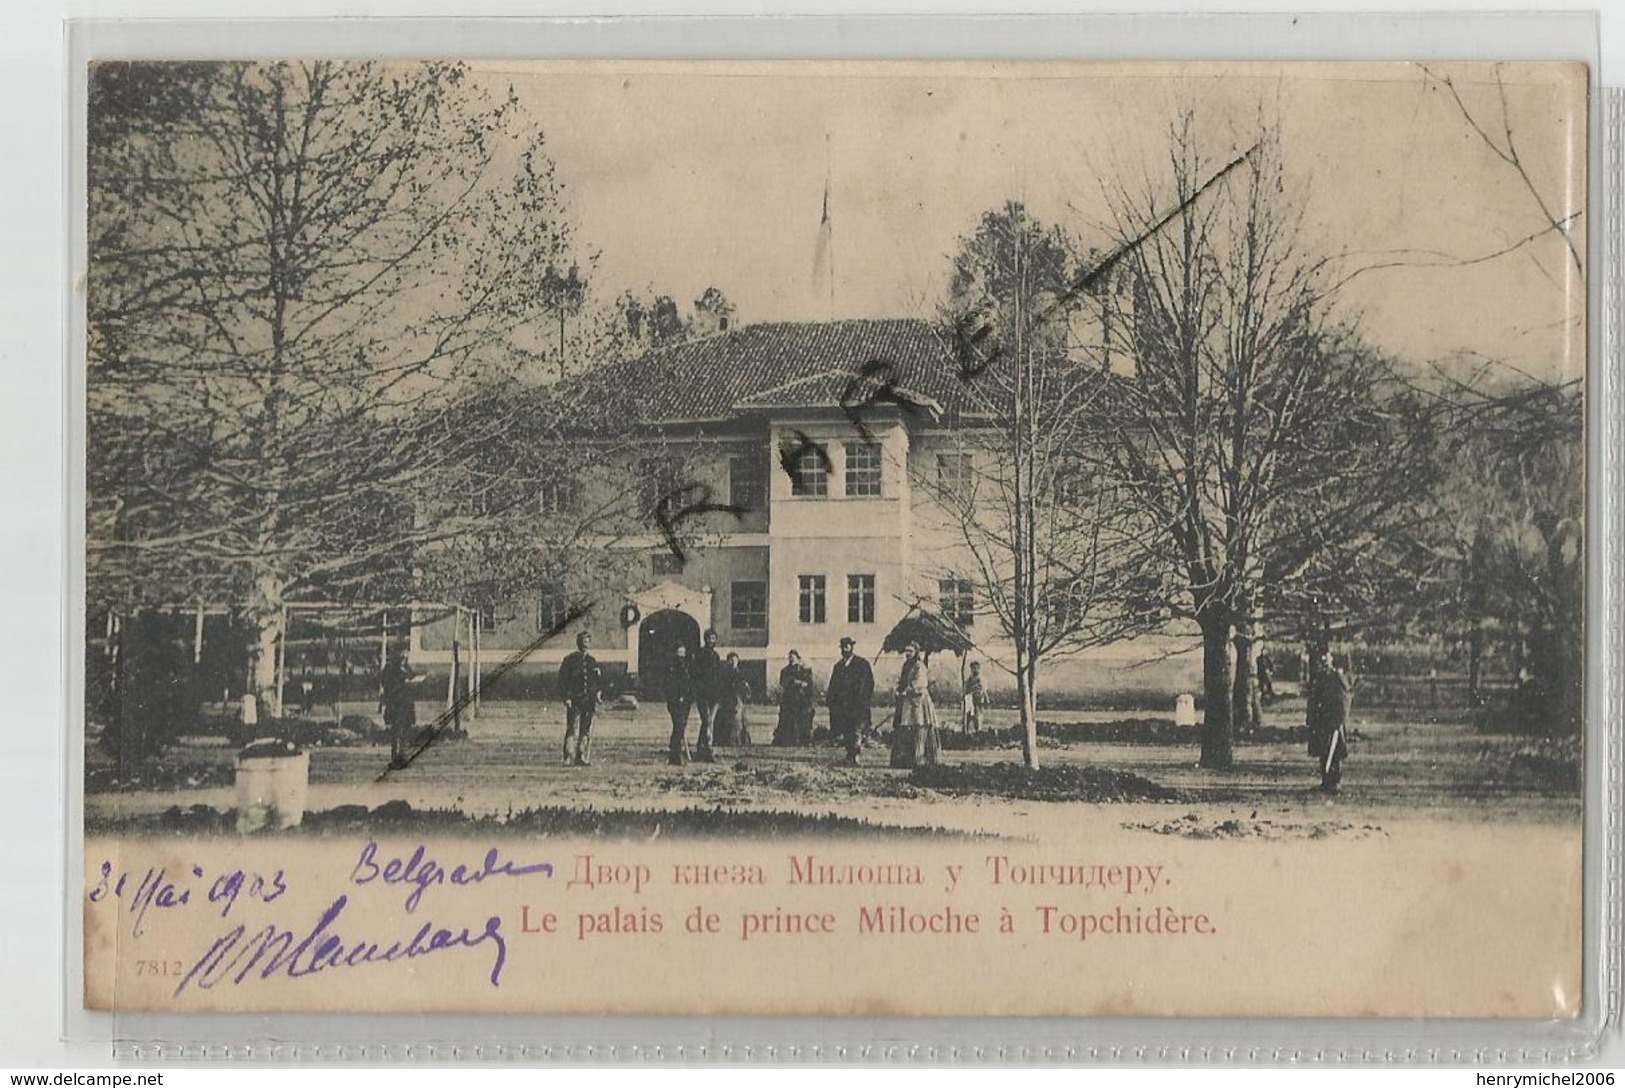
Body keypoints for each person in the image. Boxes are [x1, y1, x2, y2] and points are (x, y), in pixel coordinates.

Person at [1306, 645, 1352, 792]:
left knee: (1335, 752)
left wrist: (1339, 719)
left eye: (1326, 658)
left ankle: (1335, 782)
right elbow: (1314, 700)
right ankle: (1325, 782)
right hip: (1321, 722)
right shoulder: (1319, 678)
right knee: (1323, 751)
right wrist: (1311, 717)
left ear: (1331, 659)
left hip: (1333, 721)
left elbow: (1345, 699)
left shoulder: (1337, 676)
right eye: (1321, 659)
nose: (1324, 662)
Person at [889, 642, 941, 769]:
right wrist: (898, 690)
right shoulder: (906, 666)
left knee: (920, 727)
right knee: (907, 728)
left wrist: (907, 690)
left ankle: (921, 759)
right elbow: (902, 681)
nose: (907, 653)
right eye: (906, 651)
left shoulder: (919, 666)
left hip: (919, 702)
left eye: (910, 651)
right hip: (907, 701)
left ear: (916, 652)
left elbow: (920, 683)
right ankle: (907, 759)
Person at [557, 631, 605, 767]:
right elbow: (563, 681)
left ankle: (582, 756)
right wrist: (566, 697)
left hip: (588, 700)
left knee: (585, 728)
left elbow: (597, 681)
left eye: (587, 641)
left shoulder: (592, 661)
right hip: (574, 699)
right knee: (572, 728)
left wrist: (598, 694)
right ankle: (568, 757)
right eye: (583, 641)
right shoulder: (569, 660)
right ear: (578, 643)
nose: (585, 644)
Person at [826, 636, 875, 765]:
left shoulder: (861, 664)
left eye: (847, 646)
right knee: (846, 730)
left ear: (852, 647)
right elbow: (833, 685)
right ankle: (849, 755)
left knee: (856, 730)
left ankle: (856, 756)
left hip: (857, 705)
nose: (845, 649)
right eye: (843, 647)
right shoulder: (839, 666)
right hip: (843, 706)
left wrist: (863, 700)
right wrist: (831, 700)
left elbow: (868, 684)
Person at [378, 649, 424, 770]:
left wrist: (415, 680)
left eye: (406, 653)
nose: (405, 656)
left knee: (405, 729)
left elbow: (412, 676)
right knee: (396, 730)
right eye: (402, 654)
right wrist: (402, 683)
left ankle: (402, 755)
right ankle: (395, 757)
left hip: (406, 703)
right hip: (395, 703)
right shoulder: (390, 668)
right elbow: (386, 683)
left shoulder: (406, 667)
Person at [692, 628, 723, 763]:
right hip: (702, 693)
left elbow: (718, 675)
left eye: (714, 639)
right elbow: (696, 674)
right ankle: (707, 750)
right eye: (710, 638)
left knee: (708, 721)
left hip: (713, 693)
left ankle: (701, 747)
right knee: (707, 720)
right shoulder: (700, 654)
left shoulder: (716, 656)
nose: (712, 641)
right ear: (706, 639)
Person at [774, 650, 817, 746]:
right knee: (787, 719)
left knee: (801, 719)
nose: (792, 659)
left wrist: (801, 684)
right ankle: (787, 740)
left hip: (801, 700)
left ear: (798, 658)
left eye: (794, 657)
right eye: (790, 657)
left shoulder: (803, 670)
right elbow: (783, 682)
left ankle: (802, 740)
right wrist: (795, 682)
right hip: (789, 699)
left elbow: (808, 683)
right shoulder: (785, 670)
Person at [713, 651, 753, 747]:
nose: (733, 662)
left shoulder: (740, 672)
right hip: (727, 698)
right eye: (731, 660)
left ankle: (739, 740)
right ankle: (724, 740)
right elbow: (721, 685)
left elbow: (744, 684)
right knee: (726, 718)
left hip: (737, 698)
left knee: (739, 719)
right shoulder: (724, 672)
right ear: (728, 661)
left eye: (735, 660)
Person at [961, 660, 986, 733]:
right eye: (973, 668)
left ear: (979, 668)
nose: (975, 670)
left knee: (977, 717)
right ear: (971, 669)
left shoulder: (981, 679)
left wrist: (983, 697)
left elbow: (983, 690)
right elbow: (966, 690)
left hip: (978, 701)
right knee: (967, 717)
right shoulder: (969, 679)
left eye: (976, 668)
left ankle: (978, 731)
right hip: (969, 700)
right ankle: (965, 732)